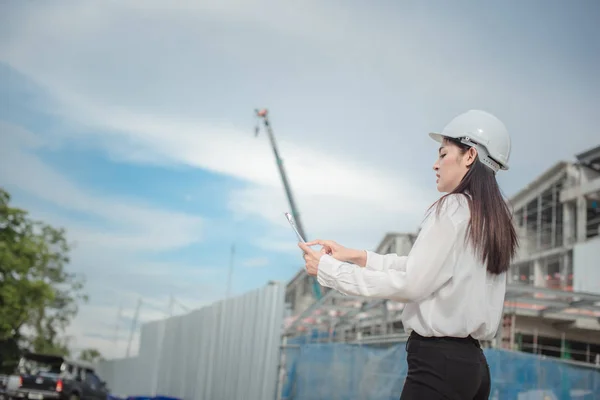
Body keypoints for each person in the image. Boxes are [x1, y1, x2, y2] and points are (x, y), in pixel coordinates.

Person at [298, 109, 518, 399]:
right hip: (474, 369)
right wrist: (356, 256)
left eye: (443, 154)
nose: (435, 165)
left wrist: (328, 270)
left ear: (470, 156)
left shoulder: (452, 207)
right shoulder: (494, 218)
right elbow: (426, 269)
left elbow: (412, 284)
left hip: (438, 366)